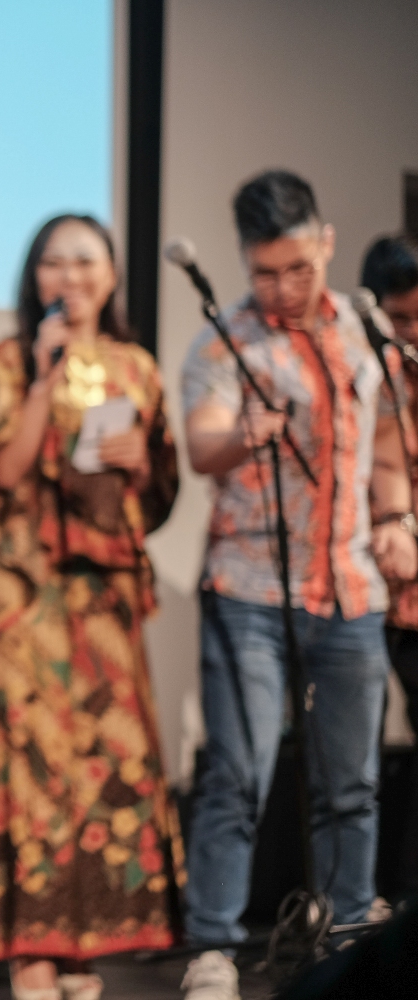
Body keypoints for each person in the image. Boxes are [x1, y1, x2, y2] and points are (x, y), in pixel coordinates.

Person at [179, 172, 416, 1000]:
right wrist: (241, 437)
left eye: (298, 268)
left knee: (351, 784)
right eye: (264, 272)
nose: (282, 287)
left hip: (350, 591)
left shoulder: (363, 330)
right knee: (237, 774)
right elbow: (201, 445)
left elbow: (386, 448)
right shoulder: (224, 341)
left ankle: (346, 939)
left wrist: (398, 520)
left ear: (326, 243)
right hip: (248, 590)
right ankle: (213, 946)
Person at [0, 215, 182, 1000]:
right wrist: (42, 383)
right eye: (53, 262)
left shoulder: (136, 367)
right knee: (29, 767)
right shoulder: (8, 362)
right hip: (25, 604)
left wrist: (139, 460)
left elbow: (159, 492)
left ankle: (83, 950)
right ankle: (32, 954)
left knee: (103, 765)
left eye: (86, 260)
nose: (70, 275)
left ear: (112, 274)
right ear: (34, 277)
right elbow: (1, 474)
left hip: (105, 603)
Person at [360, 234, 418, 900]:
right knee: (356, 758)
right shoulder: (364, 372)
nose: (412, 332)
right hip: (367, 587)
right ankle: (358, 902)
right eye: (399, 318)